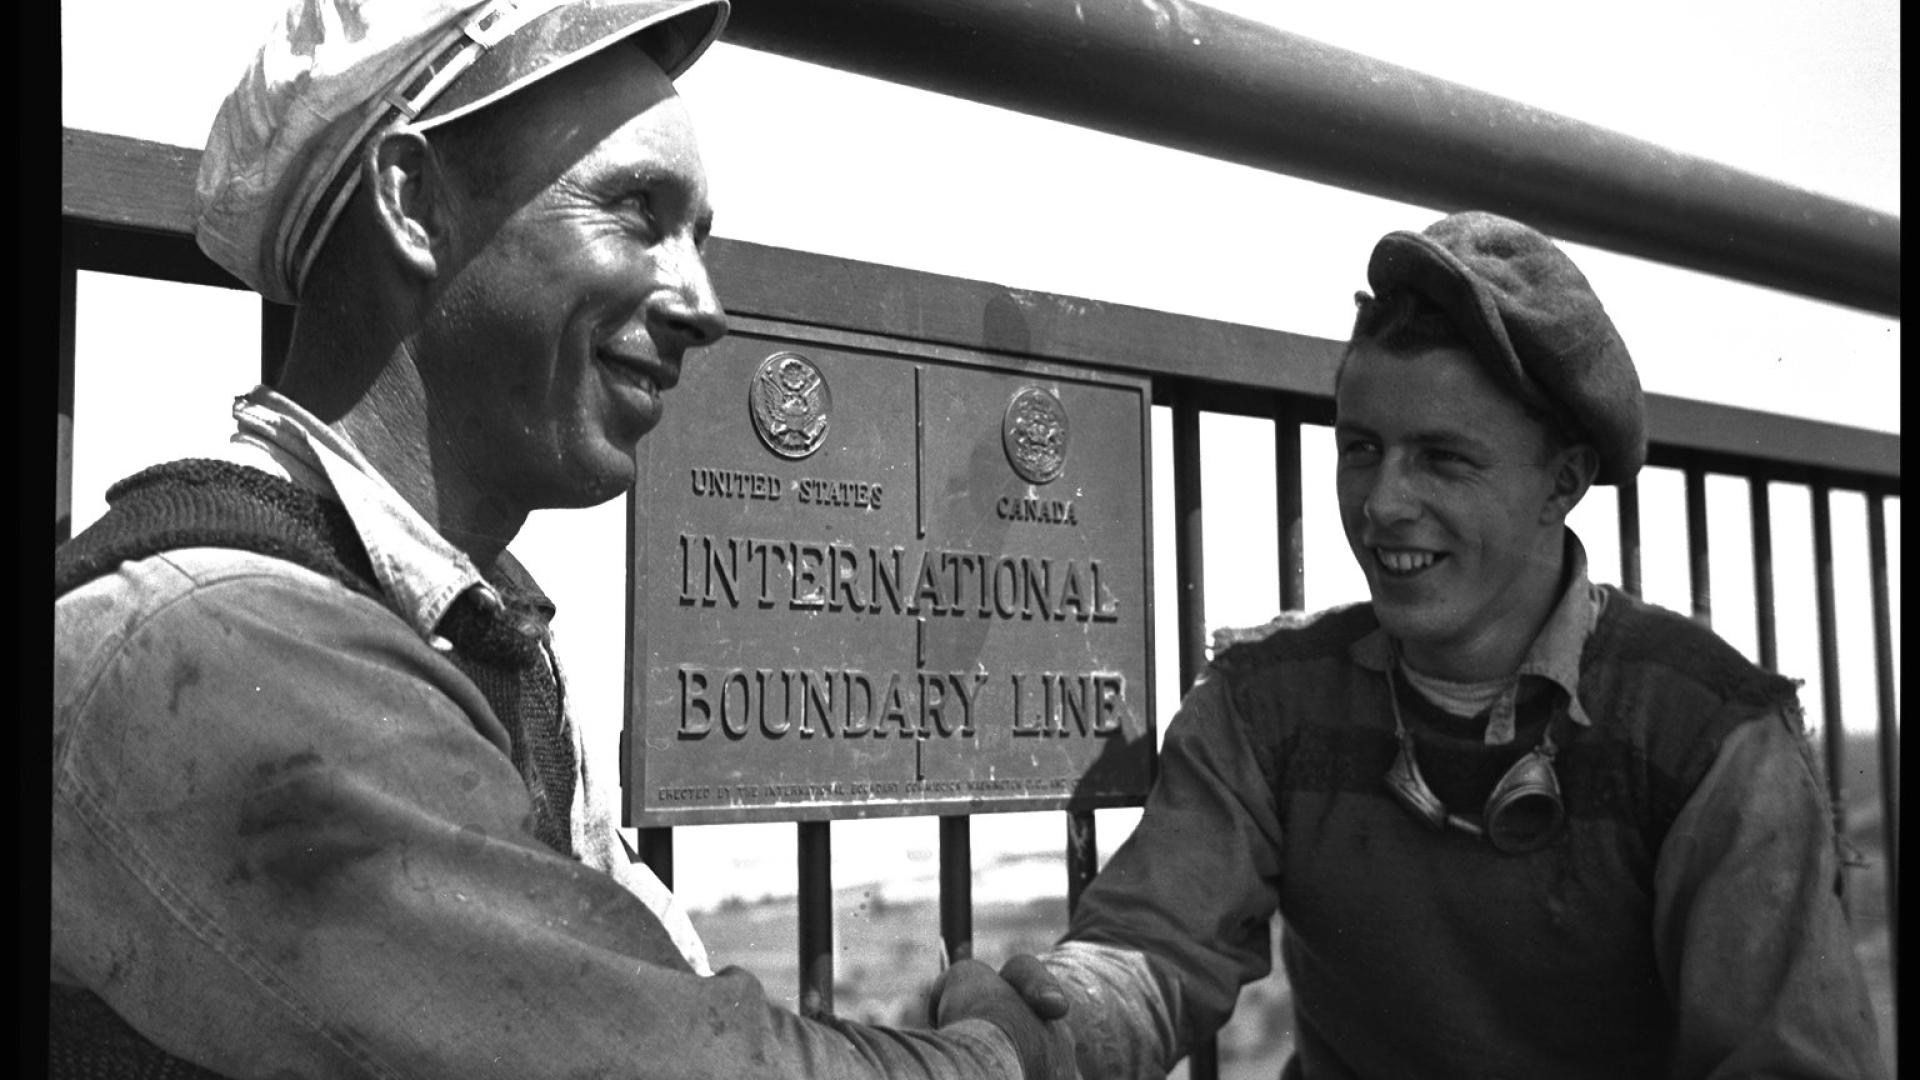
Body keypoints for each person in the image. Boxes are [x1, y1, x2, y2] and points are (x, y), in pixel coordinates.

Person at [50, 1, 1072, 1076]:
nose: (704, 305)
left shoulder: (484, 634)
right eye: (637, 212)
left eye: (700, 238)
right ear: (410, 202)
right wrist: (1002, 1050)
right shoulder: (207, 645)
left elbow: (646, 1008)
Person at [981, 210, 1889, 1078]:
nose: (1382, 505)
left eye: (1444, 459)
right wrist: (1045, 1031)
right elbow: (1153, 949)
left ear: (1562, 481)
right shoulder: (1262, 705)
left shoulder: (1711, 738)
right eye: (1362, 448)